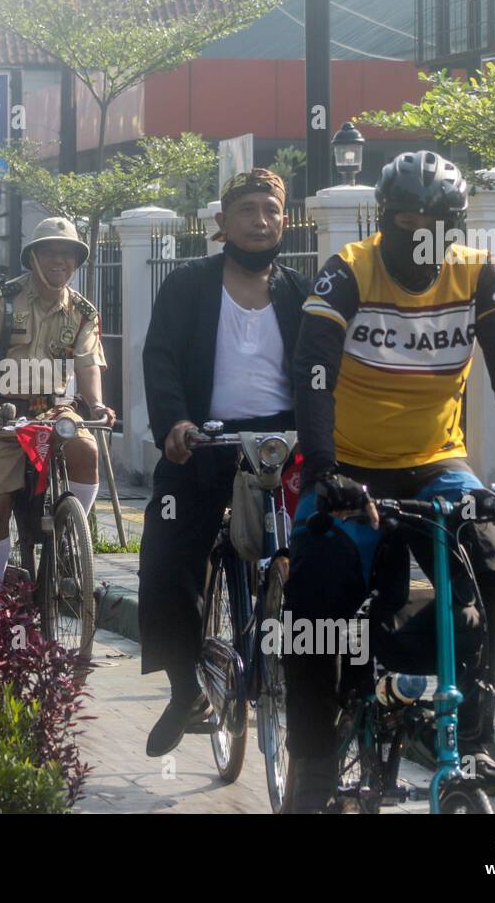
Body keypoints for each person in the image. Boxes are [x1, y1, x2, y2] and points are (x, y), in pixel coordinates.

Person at [283, 151, 495, 812]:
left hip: (437, 461)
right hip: (348, 464)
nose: (422, 231)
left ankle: (470, 739)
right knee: (313, 595)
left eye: (437, 221)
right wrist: (324, 470)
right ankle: (313, 761)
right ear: (385, 220)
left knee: (494, 563)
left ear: (456, 226)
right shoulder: (349, 269)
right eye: (407, 219)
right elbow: (313, 370)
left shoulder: (480, 273)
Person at [138, 169, 311, 757]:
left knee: (322, 553)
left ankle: (312, 681)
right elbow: (159, 357)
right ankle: (185, 687)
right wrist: (175, 426)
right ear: (221, 222)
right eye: (247, 211)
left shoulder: (299, 291)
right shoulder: (188, 284)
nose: (260, 222)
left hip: (280, 448)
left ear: (285, 219)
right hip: (202, 442)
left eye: (271, 210)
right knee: (166, 559)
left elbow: (320, 372)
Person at [0, 218, 114, 588]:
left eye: (68, 253)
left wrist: (95, 406)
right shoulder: (2, 298)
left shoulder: (83, 312)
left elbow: (88, 364)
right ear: (33, 257)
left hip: (55, 409)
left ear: (77, 261)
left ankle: (69, 538)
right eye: (50, 251)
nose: (59, 260)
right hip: (1, 412)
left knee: (86, 450)